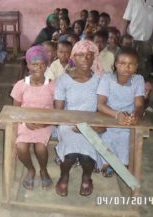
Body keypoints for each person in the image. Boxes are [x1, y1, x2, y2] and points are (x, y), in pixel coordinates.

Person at [54, 40, 104, 197]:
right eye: (81, 55)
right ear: (73, 57)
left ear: (95, 58)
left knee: (86, 156)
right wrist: (74, 124)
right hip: (68, 122)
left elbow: (102, 108)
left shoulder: (100, 80)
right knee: (69, 154)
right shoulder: (64, 80)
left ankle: (86, 177)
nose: (86, 59)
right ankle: (64, 175)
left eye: (90, 56)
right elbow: (59, 110)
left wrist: (91, 126)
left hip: (93, 123)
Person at [10, 45, 55, 190]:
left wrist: (45, 122)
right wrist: (25, 121)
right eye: (34, 64)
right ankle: (30, 169)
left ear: (47, 65)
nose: (39, 68)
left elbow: (58, 110)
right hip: (25, 121)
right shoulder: (21, 85)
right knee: (21, 147)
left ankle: (43, 169)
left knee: (41, 148)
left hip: (45, 123)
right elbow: (15, 110)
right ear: (28, 65)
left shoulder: (52, 85)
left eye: (42, 64)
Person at [97, 47, 145, 177]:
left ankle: (122, 163)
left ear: (136, 66)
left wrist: (136, 115)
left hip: (127, 119)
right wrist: (117, 114)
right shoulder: (107, 78)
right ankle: (107, 163)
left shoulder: (138, 80)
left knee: (126, 137)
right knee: (106, 137)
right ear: (116, 65)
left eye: (131, 64)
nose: (126, 68)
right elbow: (100, 104)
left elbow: (139, 105)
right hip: (108, 115)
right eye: (122, 63)